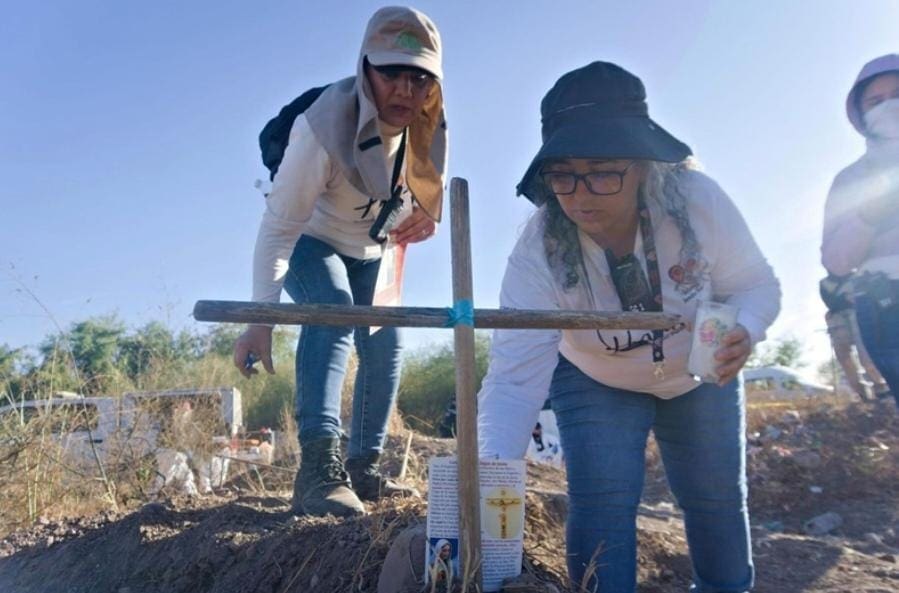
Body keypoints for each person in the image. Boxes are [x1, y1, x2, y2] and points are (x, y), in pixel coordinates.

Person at [477, 62, 780, 592]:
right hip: (596, 377)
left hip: (700, 371)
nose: (580, 194)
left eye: (603, 170)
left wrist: (747, 328)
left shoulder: (698, 201)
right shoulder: (537, 253)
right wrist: (490, 479)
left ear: (644, 166)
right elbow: (512, 378)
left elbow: (757, 284)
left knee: (715, 498)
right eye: (563, 174)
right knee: (602, 499)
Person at [232, 6, 447, 517]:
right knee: (334, 310)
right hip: (313, 238)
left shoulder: (430, 127)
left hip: (374, 249)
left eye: (420, 77)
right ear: (364, 67)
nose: (404, 91)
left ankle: (364, 470)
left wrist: (425, 217)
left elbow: (420, 198)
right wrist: (261, 320)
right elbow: (280, 227)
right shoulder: (321, 126)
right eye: (391, 72)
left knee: (387, 340)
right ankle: (317, 473)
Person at [822, 54, 899, 408]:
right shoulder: (851, 180)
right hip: (887, 306)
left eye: (898, 94)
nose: (889, 106)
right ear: (862, 115)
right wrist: (868, 215)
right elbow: (836, 262)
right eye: (876, 101)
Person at [819, 274, 889, 400]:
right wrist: (844, 299)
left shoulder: (858, 275)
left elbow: (862, 296)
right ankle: (862, 393)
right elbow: (830, 302)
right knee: (845, 359)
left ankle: (881, 386)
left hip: (858, 315)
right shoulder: (824, 283)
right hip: (837, 320)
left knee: (866, 356)